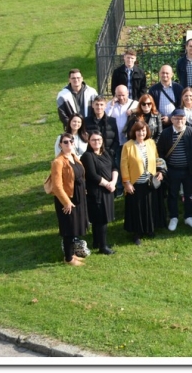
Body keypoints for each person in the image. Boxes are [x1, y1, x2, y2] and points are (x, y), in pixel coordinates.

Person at [157, 108, 192, 231]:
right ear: (171, 120)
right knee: (172, 195)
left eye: (182, 118)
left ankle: (188, 217)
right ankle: (174, 217)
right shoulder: (165, 133)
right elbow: (160, 152)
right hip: (172, 170)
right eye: (176, 118)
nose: (179, 121)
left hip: (189, 171)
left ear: (185, 119)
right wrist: (162, 169)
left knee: (190, 195)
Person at [50, 132, 89, 266]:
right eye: (65, 142)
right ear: (60, 144)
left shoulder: (73, 156)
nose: (69, 144)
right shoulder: (58, 162)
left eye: (71, 141)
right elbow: (56, 185)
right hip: (67, 199)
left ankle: (72, 254)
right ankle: (68, 258)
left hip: (78, 197)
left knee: (75, 227)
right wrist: (66, 202)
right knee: (68, 228)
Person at [121, 120, 162, 245]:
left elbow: (157, 159)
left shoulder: (151, 143)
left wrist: (160, 172)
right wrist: (127, 183)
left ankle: (149, 229)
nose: (141, 133)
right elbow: (124, 165)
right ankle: (137, 233)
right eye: (138, 130)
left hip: (149, 182)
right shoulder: (128, 146)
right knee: (136, 209)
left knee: (149, 207)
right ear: (134, 132)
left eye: (143, 130)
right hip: (135, 183)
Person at [81, 131, 117, 255]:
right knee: (100, 219)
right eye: (94, 140)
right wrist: (107, 184)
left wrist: (113, 182)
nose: (97, 142)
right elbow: (92, 175)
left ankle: (98, 242)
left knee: (102, 219)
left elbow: (114, 168)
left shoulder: (106, 153)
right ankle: (103, 246)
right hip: (96, 192)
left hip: (108, 190)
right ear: (89, 142)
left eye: (99, 140)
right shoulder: (87, 156)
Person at [85, 96, 121, 192]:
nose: (99, 107)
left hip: (108, 154)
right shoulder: (86, 121)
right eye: (96, 104)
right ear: (92, 105)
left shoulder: (112, 121)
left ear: (105, 106)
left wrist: (110, 152)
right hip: (93, 155)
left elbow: (116, 139)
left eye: (101, 105)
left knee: (109, 174)